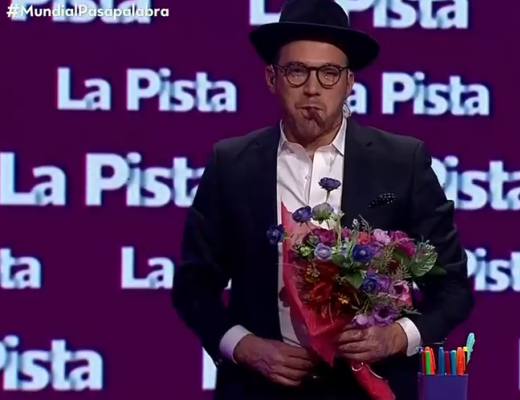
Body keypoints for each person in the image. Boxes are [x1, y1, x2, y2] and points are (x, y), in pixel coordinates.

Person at [171, 0, 474, 398]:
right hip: (260, 388)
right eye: (297, 71)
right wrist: (245, 347)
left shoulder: (403, 163)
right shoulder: (231, 164)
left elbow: (453, 289)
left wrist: (396, 337)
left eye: (329, 73)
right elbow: (193, 288)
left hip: (371, 388)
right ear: (272, 78)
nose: (312, 88)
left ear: (349, 83)